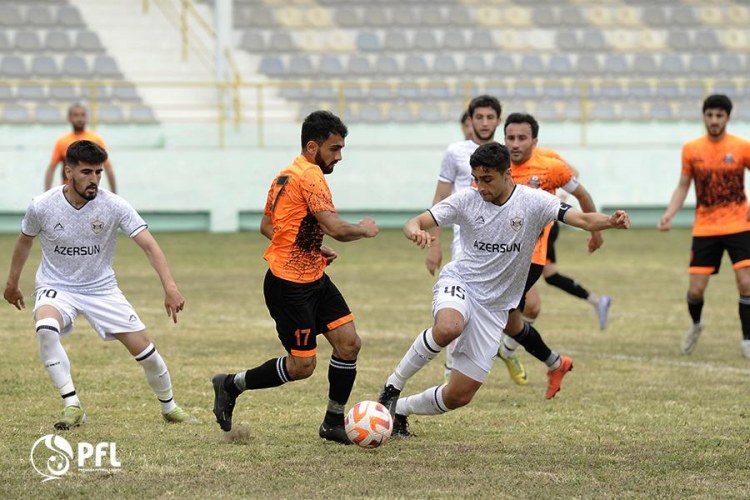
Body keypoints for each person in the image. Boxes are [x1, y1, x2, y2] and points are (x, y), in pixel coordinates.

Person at [377, 142, 630, 437]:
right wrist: (414, 231)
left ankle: (399, 410)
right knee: (448, 328)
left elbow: (583, 219)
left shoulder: (534, 201)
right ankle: (391, 388)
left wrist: (610, 222)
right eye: (476, 179)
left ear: (507, 174)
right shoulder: (467, 199)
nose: (480, 186)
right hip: (461, 283)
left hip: (495, 307)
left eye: (487, 179)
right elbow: (416, 221)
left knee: (459, 395)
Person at [211, 110, 379, 444]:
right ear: (313, 147)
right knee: (302, 367)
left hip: (313, 277)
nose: (339, 156)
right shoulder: (311, 176)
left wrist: (310, 247)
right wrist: (363, 229)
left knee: (349, 343)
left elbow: (268, 226)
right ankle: (231, 384)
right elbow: (336, 228)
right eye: (334, 149)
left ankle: (333, 423)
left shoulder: (284, 176)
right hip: (288, 286)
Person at [4, 140, 194, 429]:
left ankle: (170, 407)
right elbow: (24, 242)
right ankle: (72, 405)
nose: (94, 179)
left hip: (101, 289)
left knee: (146, 352)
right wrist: (12, 283)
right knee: (45, 327)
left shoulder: (114, 205)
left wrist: (170, 287)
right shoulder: (42, 206)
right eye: (86, 172)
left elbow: (149, 246)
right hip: (57, 285)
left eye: (98, 172)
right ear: (68, 172)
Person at [497, 113, 607, 396]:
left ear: (534, 141)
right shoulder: (497, 165)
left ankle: (467, 366)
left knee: (495, 313)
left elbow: (582, 195)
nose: (515, 144)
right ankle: (554, 363)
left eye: (522, 138)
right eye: (510, 138)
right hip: (499, 253)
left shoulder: (550, 167)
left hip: (531, 257)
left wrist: (595, 232)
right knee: (512, 319)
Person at [658, 94, 750, 359]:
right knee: (696, 290)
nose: (714, 120)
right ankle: (696, 324)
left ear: (727, 118)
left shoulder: (742, 147)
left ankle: (747, 339)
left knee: (746, 283)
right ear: (704, 117)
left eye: (719, 116)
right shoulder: (692, 149)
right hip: (705, 228)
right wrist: (669, 214)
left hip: (738, 224)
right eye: (710, 115)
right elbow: (683, 185)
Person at [425, 95, 503, 383]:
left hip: (499, 243)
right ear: (470, 120)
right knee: (459, 304)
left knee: (496, 306)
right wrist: (434, 245)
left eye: (490, 117)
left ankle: (502, 351)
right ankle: (451, 370)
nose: (484, 122)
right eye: (478, 117)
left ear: (498, 120)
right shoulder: (455, 152)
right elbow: (440, 199)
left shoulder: (504, 154)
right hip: (466, 241)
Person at [45, 103, 116, 193]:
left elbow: (108, 168)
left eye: (82, 115)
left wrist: (114, 194)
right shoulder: (62, 141)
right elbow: (51, 168)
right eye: (76, 115)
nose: (79, 118)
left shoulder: (96, 140)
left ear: (86, 117)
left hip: (89, 191)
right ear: (69, 118)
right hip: (68, 191)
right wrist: (47, 193)